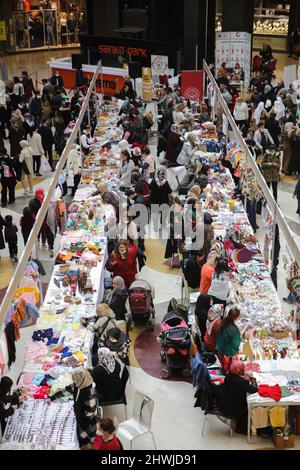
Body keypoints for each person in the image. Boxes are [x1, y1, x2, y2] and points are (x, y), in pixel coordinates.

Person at [49, 368, 97, 447]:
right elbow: (66, 390)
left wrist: (78, 417)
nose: (72, 379)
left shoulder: (90, 392)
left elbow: (90, 412)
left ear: (80, 378)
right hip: (80, 416)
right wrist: (52, 398)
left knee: (84, 442)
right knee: (79, 437)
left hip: (87, 423)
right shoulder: (78, 383)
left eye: (74, 377)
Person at [215, 360, 258, 435]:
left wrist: (244, 380)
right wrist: (250, 381)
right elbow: (253, 389)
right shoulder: (239, 381)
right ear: (238, 370)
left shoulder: (229, 376)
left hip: (224, 401)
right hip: (232, 408)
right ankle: (241, 429)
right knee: (249, 407)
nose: (244, 370)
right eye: (242, 369)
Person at [216, 307, 241, 373]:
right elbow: (236, 344)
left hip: (220, 349)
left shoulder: (223, 322)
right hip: (227, 352)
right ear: (236, 318)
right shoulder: (232, 329)